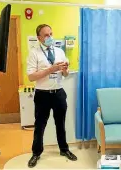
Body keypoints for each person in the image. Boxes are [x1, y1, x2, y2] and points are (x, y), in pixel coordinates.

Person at [27, 24, 77, 168]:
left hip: (59, 93)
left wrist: (65, 69)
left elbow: (65, 74)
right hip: (42, 95)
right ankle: (36, 153)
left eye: (51, 34)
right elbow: (31, 76)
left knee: (60, 124)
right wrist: (51, 69)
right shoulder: (34, 53)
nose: (50, 37)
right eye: (46, 35)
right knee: (40, 125)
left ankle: (64, 149)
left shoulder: (59, 51)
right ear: (39, 38)